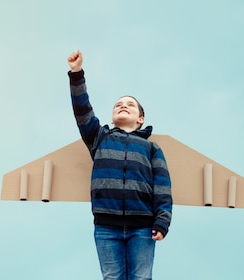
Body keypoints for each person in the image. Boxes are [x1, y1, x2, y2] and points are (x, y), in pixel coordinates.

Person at [67, 50, 172, 280]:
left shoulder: (152, 149)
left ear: (140, 119)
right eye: (118, 104)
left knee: (141, 278)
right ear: (112, 116)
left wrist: (162, 221)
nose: (123, 105)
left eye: (130, 105)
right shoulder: (99, 137)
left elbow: (163, 188)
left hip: (142, 227)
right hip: (106, 225)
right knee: (112, 278)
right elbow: (82, 111)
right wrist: (77, 74)